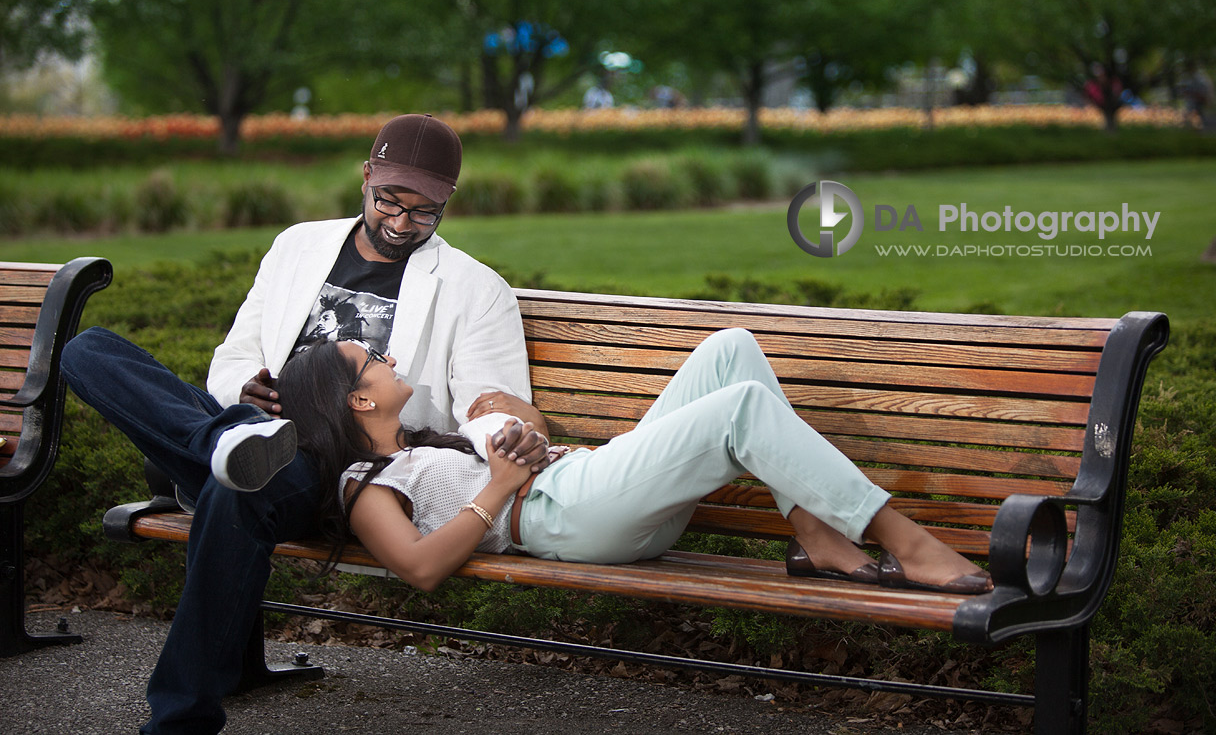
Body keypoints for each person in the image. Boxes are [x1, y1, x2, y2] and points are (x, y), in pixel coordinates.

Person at [61, 113, 543, 735]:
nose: (400, 224)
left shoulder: (477, 289)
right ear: (366, 176)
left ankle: (180, 719)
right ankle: (225, 441)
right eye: (387, 202)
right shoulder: (298, 247)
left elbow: (487, 405)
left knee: (238, 490)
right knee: (88, 350)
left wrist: (510, 439)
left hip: (340, 462)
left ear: (449, 199)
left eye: (422, 212)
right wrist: (244, 390)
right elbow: (235, 355)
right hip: (256, 427)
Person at [277, 329, 992, 596]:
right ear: (357, 402)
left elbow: (514, 450)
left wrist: (523, 439)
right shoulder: (364, 483)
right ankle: (908, 543)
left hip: (580, 483)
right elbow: (421, 567)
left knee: (731, 350)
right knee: (740, 405)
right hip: (568, 515)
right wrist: (498, 487)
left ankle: (814, 531)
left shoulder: (420, 443)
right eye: (372, 360)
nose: (390, 357)